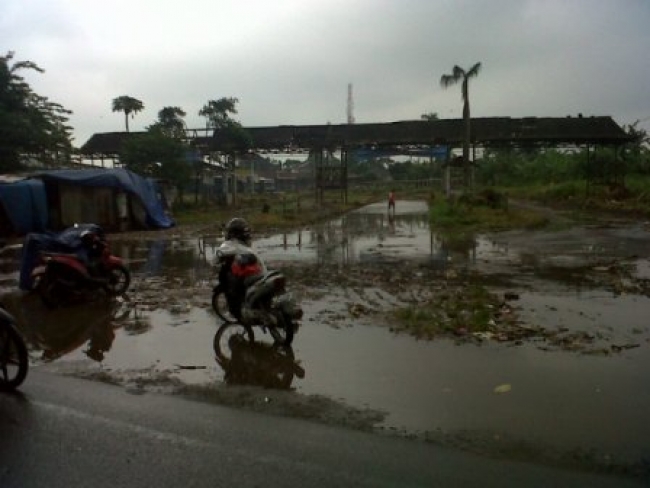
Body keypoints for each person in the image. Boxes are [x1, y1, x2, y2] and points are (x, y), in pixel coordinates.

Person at [216, 217, 266, 320]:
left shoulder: (233, 246)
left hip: (253, 275)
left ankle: (240, 311)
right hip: (262, 273)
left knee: (237, 285)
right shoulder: (245, 248)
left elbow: (218, 256)